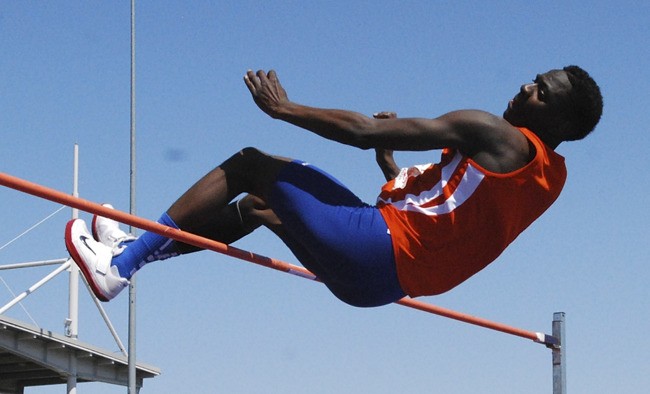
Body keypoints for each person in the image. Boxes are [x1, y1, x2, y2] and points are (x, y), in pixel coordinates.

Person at [65, 66, 603, 307]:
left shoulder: (492, 131)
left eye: (543, 92)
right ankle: (133, 249)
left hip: (378, 249)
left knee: (252, 164)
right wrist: (390, 167)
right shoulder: (549, 180)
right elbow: (449, 221)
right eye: (536, 78)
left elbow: (363, 128)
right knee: (258, 206)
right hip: (383, 285)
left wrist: (285, 109)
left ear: (561, 121)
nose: (527, 86)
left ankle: (119, 267)